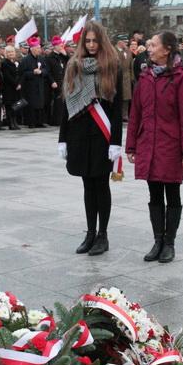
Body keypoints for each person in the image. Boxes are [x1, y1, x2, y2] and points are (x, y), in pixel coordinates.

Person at [126, 31, 183, 264]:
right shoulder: (145, 77)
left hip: (171, 146)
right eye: (149, 45)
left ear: (167, 49)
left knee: (172, 193)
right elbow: (135, 114)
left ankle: (169, 243)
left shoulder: (181, 79)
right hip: (148, 144)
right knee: (154, 193)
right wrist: (132, 145)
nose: (149, 48)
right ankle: (158, 241)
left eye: (153, 45)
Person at [58, 20, 123, 256]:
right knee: (87, 185)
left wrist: (116, 142)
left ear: (102, 41)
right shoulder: (73, 65)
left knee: (101, 185)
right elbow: (67, 103)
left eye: (95, 41)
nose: (92, 45)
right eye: (88, 41)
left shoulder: (112, 66)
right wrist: (62, 138)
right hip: (78, 134)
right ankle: (90, 233)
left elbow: (117, 108)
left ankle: (102, 235)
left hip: (101, 135)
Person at [20, 37, 51, 128]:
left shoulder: (41, 59)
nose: (39, 50)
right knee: (32, 104)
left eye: (39, 48)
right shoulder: (25, 60)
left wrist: (41, 72)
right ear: (32, 49)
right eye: (37, 48)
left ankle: (40, 121)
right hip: (30, 85)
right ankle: (31, 122)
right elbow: (22, 73)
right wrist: (33, 72)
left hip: (40, 84)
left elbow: (46, 70)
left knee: (40, 103)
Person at [45, 36, 68, 126]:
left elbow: (70, 63)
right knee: (57, 102)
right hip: (55, 82)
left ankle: (63, 119)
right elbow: (48, 71)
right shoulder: (49, 57)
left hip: (64, 81)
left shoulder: (63, 56)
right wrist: (52, 81)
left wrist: (65, 55)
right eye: (60, 45)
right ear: (55, 46)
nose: (62, 47)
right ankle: (56, 120)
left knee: (63, 102)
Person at [1, 45, 22, 130]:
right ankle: (10, 123)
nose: (11, 53)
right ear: (6, 53)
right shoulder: (4, 63)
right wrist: (16, 84)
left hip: (16, 88)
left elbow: (19, 74)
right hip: (9, 88)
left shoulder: (16, 63)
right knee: (9, 106)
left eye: (12, 52)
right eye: (9, 52)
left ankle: (15, 122)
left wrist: (19, 83)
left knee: (15, 106)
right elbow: (7, 76)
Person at [115, 34, 134, 121]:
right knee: (117, 96)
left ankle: (125, 115)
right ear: (119, 42)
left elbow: (131, 65)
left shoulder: (128, 51)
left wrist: (132, 77)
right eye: (125, 42)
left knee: (126, 97)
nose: (126, 44)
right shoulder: (113, 51)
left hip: (126, 77)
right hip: (116, 76)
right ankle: (117, 114)